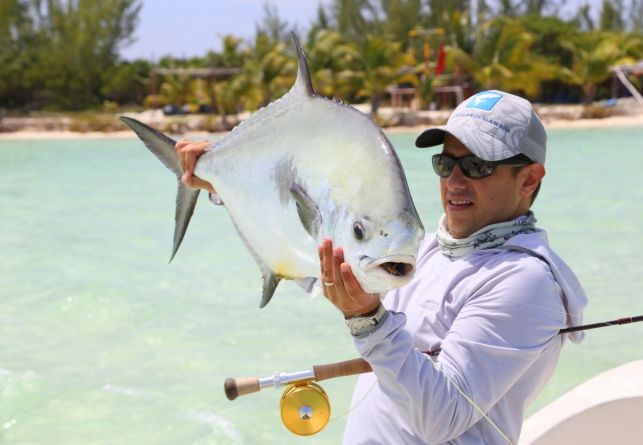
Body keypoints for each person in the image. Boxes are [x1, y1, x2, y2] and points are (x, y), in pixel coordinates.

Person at [179, 90, 587, 445]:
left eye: (477, 166)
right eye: (445, 164)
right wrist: (225, 187)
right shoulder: (427, 253)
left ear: (530, 178)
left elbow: (441, 417)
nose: (455, 181)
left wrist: (366, 320)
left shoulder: (524, 282)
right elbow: (318, 275)